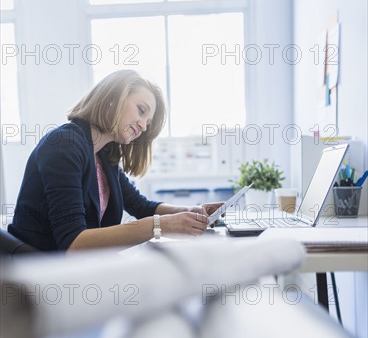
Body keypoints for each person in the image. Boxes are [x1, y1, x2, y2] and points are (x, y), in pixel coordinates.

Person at [8, 70, 223, 251]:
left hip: (79, 269)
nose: (143, 126)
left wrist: (192, 211)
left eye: (147, 122)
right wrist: (159, 226)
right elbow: (73, 242)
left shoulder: (104, 154)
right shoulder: (65, 144)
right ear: (113, 97)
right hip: (42, 273)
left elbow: (141, 206)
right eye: (141, 110)